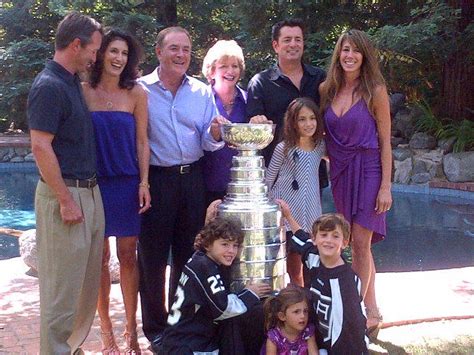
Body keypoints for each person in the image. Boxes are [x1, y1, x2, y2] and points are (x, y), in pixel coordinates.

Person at [137, 26, 228, 352]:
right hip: (157, 181)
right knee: (152, 258)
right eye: (174, 48)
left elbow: (209, 140)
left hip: (193, 180)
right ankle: (155, 329)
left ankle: (179, 325)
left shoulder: (202, 92)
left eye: (186, 49)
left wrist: (217, 133)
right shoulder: (140, 90)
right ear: (159, 51)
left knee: (188, 256)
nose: (180, 55)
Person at [27, 12, 104, 354]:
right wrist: (65, 199)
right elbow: (40, 146)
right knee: (61, 296)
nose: (95, 57)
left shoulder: (71, 81)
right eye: (94, 50)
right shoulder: (49, 86)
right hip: (66, 196)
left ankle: (70, 350)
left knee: (82, 291)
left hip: (88, 191)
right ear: (77, 45)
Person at [319, 29, 392, 339]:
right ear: (339, 54)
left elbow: (386, 141)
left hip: (369, 170)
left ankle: (353, 314)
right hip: (341, 173)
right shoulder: (326, 89)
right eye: (345, 50)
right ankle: (372, 310)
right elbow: (321, 134)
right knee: (354, 246)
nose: (349, 55)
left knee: (361, 243)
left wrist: (386, 185)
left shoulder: (375, 90)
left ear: (364, 56)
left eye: (356, 51)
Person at [82, 28, 151, 354]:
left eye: (124, 53)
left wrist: (144, 183)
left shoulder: (136, 93)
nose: (118, 58)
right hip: (95, 184)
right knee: (99, 259)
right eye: (113, 51)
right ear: (100, 54)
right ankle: (106, 332)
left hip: (126, 183)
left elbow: (142, 141)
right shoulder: (84, 91)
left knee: (127, 257)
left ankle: (131, 331)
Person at [161, 217, 272, 354]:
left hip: (178, 340)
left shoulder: (198, 259)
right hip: (188, 346)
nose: (231, 250)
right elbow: (223, 308)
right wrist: (250, 294)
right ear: (207, 245)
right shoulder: (205, 267)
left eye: (235, 245)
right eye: (225, 244)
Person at [246, 18, 328, 193]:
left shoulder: (320, 79)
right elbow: (253, 125)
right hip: (277, 174)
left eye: (298, 39)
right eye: (287, 40)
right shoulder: (261, 83)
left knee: (313, 220)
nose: (293, 44)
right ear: (276, 46)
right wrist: (256, 122)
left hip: (312, 170)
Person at [279, 200, 368, 353]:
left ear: (344, 243)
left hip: (344, 345)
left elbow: (348, 327)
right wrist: (287, 215)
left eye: (335, 236)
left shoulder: (345, 281)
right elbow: (302, 239)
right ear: (315, 239)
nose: (328, 240)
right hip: (321, 336)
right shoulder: (315, 258)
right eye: (324, 235)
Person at [266, 97, 326, 286]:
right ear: (292, 122)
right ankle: (295, 298)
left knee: (312, 259)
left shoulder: (320, 147)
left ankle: (311, 301)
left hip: (311, 213)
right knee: (292, 264)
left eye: (312, 118)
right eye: (302, 119)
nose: (308, 124)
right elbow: (268, 179)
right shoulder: (283, 148)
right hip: (287, 214)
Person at [201, 40, 247, 205]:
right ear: (212, 71)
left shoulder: (248, 100)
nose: (230, 71)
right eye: (223, 66)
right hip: (205, 184)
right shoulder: (200, 99)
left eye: (235, 66)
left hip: (240, 185)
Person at [261, 286, 318, 355]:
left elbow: (313, 353)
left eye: (305, 311)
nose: (303, 316)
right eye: (296, 312)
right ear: (282, 316)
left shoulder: (308, 331)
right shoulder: (274, 337)